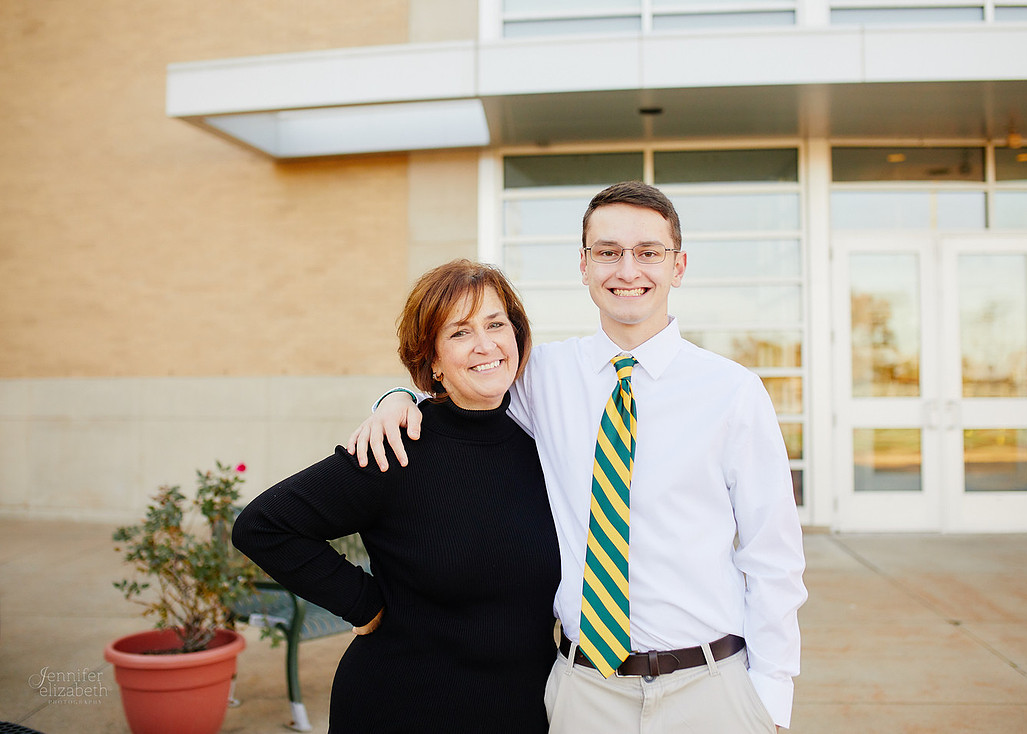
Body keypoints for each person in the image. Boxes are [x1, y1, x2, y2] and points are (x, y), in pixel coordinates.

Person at [350, 181, 808, 732]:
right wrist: (395, 398)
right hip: (583, 689)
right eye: (608, 252)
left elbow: (772, 557)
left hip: (709, 685)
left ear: (678, 266)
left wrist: (771, 693)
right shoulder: (540, 376)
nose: (627, 270)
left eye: (649, 253)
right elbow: (459, 391)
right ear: (585, 265)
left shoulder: (733, 391)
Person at [233, 260, 560, 734]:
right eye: (460, 333)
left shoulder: (544, 444)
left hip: (523, 710)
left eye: (495, 324)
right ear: (432, 361)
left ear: (518, 336)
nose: (485, 344)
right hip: (405, 707)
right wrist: (363, 603)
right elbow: (265, 525)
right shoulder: (398, 447)